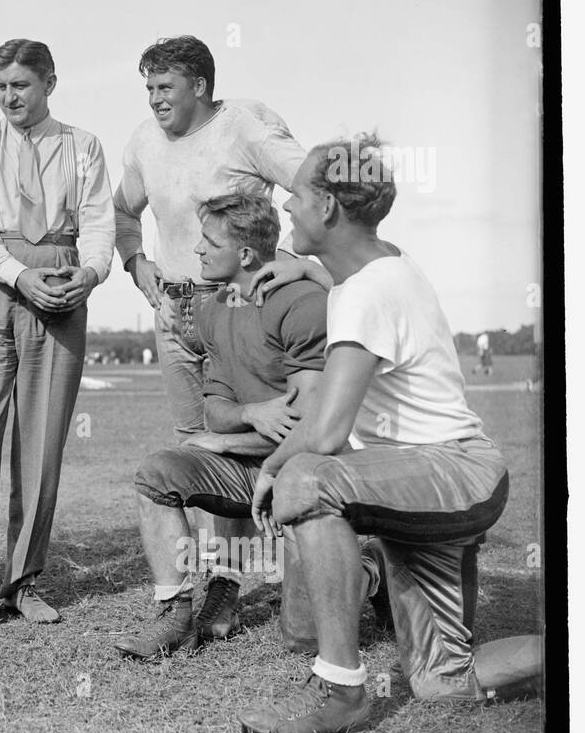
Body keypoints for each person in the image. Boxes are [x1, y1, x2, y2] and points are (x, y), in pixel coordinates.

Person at [239, 136, 543, 733]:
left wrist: (273, 465)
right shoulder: (387, 266)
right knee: (441, 684)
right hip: (436, 485)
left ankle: (343, 694)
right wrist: (308, 265)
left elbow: (325, 434)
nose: (285, 206)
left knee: (306, 479)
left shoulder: (366, 293)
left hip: (451, 474)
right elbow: (371, 255)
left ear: (327, 207)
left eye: (295, 194)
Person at [116, 193, 387, 660]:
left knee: (304, 637)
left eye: (208, 240)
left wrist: (223, 440)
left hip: (302, 474)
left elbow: (309, 427)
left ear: (244, 255)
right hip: (249, 466)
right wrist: (248, 416)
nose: (197, 250)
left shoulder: (302, 302)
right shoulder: (214, 306)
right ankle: (175, 616)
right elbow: (216, 409)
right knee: (156, 472)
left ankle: (371, 568)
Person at [113, 34, 332, 593]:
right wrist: (137, 263)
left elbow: (312, 187)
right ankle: (207, 584)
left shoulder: (244, 126)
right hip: (175, 308)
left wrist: (302, 265)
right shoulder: (144, 141)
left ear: (201, 86)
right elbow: (122, 210)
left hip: (238, 304)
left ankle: (234, 583)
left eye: (166, 87)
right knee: (195, 444)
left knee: (257, 434)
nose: (155, 100)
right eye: (149, 89)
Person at [0, 39, 115, 633]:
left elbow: (98, 224)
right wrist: (20, 277)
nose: (10, 97)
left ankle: (23, 581)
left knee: (41, 443)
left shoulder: (82, 145)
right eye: (1, 87)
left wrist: (87, 275)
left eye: (20, 85)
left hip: (63, 284)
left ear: (48, 83)